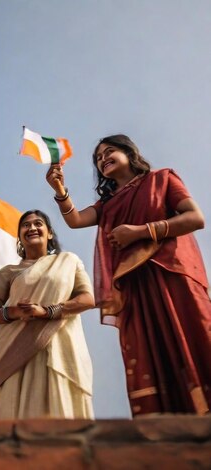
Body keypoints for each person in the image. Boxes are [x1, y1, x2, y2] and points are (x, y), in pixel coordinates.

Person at [46, 134, 211, 416]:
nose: (102, 159)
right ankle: (170, 427)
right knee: (151, 350)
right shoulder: (107, 205)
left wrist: (140, 231)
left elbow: (195, 218)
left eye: (109, 152)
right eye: (98, 158)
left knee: (192, 334)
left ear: (129, 153)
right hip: (134, 287)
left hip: (172, 274)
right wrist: (60, 189)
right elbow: (75, 220)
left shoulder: (162, 179)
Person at [0, 210, 95, 419]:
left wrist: (48, 311)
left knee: (60, 410)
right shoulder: (7, 272)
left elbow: (88, 299)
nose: (32, 228)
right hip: (14, 351)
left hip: (59, 348)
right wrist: (14, 312)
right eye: (25, 225)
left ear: (49, 233)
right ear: (19, 237)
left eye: (38, 223)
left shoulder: (68, 261)